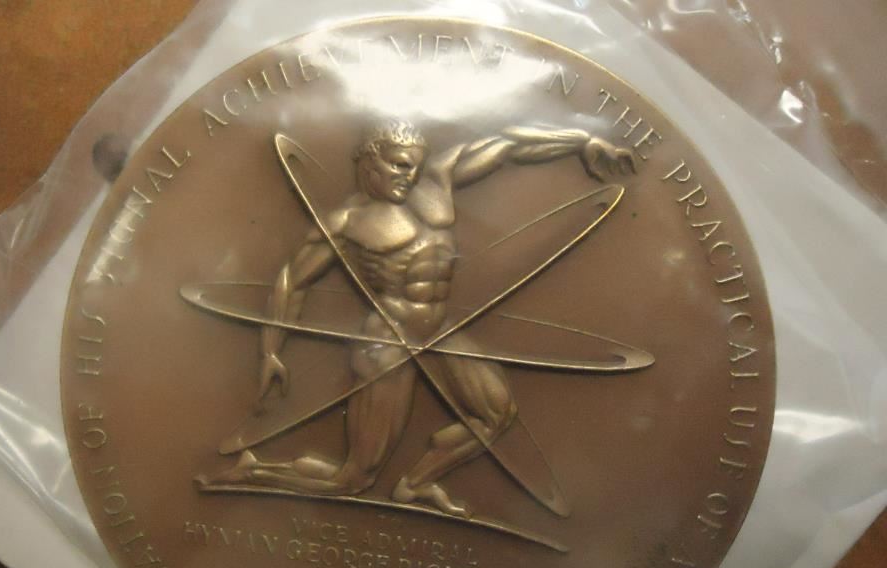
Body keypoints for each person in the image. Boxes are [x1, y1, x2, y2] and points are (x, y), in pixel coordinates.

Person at [207, 120, 634, 517]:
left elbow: (509, 143)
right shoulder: (346, 221)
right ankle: (254, 469)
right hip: (387, 343)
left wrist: (582, 141)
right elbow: (292, 281)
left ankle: (416, 483)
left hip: (438, 331)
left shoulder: (437, 181)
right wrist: (270, 352)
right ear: (369, 161)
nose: (408, 176)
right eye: (398, 165)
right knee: (353, 479)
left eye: (413, 166)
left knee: (496, 413)